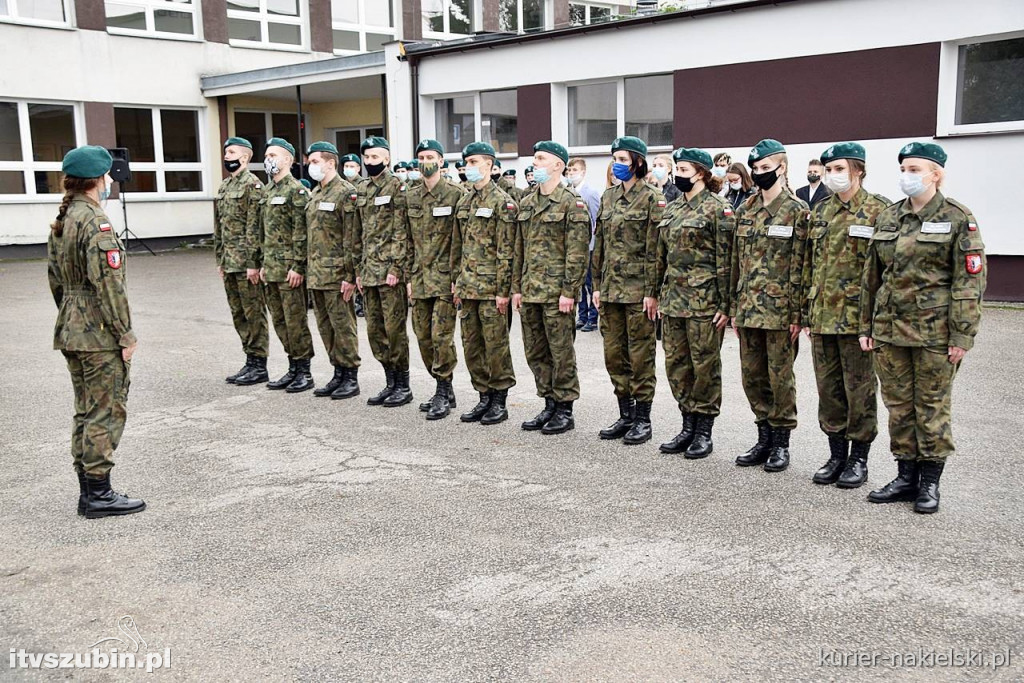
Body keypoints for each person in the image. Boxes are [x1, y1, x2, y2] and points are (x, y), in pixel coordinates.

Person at [859, 142, 985, 514]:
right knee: (898, 406)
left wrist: (962, 334)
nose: (907, 175)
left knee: (930, 406)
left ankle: (930, 483)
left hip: (935, 333)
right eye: (904, 168)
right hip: (889, 330)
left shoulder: (958, 217)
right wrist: (867, 324)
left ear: (936, 174)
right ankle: (905, 476)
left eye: (916, 169)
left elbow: (969, 282)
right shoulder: (889, 217)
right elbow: (872, 277)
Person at [47, 145, 145, 518]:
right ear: (100, 179)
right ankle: (98, 494)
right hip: (98, 333)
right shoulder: (94, 221)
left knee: (85, 409)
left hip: (73, 328)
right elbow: (109, 286)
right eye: (107, 177)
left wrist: (71, 316)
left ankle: (88, 487)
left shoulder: (64, 216)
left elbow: (56, 280)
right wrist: (126, 334)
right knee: (106, 409)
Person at [801, 143, 888, 488]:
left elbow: (883, 272)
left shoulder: (879, 211)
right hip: (823, 317)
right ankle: (836, 454)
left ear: (859, 170)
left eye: (839, 168)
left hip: (857, 321)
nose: (832, 175)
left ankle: (859, 459)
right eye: (828, 169)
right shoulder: (820, 211)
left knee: (860, 391)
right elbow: (811, 264)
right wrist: (807, 311)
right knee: (829, 391)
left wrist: (874, 321)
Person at [730, 139, 809, 472]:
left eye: (765, 168)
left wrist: (798, 314)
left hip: (780, 314)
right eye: (756, 169)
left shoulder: (797, 211)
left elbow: (804, 266)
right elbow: (736, 262)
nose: (759, 173)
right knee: (752, 377)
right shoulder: (746, 209)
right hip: (748, 310)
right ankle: (763, 437)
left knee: (780, 380)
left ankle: (781, 443)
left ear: (782, 168)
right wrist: (734, 307)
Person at [654, 147, 734, 458]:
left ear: (700, 173)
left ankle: (704, 431)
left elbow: (727, 261)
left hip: (704, 303)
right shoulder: (672, 209)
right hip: (674, 301)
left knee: (705, 367)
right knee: (677, 365)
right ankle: (687, 425)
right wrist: (657, 293)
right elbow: (661, 257)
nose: (678, 176)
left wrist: (726, 305)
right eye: (678, 170)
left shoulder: (718, 209)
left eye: (684, 170)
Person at [512, 141, 590, 434]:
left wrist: (569, 291)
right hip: (531, 290)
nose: (536, 163)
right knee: (535, 351)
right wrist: (516, 287)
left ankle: (565, 409)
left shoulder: (572, 202)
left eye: (541, 158)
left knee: (561, 353)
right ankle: (548, 403)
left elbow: (578, 251)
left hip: (557, 294)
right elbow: (519, 248)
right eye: (535, 158)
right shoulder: (527, 201)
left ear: (559, 165)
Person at [592, 136, 665, 445]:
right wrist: (596, 286)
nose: (617, 164)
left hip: (637, 291)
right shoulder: (608, 197)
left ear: (637, 161)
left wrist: (652, 291)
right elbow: (600, 247)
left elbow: (656, 249)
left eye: (622, 159)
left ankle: (643, 419)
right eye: (614, 159)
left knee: (640, 357)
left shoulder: (652, 198)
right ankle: (625, 415)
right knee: (614, 355)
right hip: (609, 290)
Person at [451, 141, 518, 425]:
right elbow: (458, 246)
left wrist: (503, 291)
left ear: (490, 166)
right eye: (468, 163)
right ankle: (483, 396)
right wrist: (456, 281)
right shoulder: (464, 202)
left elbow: (507, 251)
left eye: (476, 162)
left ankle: (499, 401)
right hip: (468, 288)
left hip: (492, 290)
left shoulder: (502, 202)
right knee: (472, 345)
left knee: (496, 346)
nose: (471, 168)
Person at [349, 136, 413, 408]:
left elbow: (402, 230)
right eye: (367, 157)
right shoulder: (362, 188)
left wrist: (397, 267)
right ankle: (390, 381)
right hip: (369, 270)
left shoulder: (398, 187)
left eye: (376, 157)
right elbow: (357, 232)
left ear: (387, 159)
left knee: (394, 330)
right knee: (375, 330)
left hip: (390, 272)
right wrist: (357, 270)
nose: (370, 162)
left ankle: (403, 385)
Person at [405, 139, 465, 420]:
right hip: (418, 279)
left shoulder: (456, 194)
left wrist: (458, 278)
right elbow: (406, 239)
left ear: (441, 161)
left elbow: (463, 240)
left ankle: (443, 389)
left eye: (430, 156)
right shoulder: (411, 195)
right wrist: (407, 276)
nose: (425, 161)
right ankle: (444, 387)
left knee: (441, 338)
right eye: (421, 156)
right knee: (423, 338)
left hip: (445, 280)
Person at [304, 141, 361, 401]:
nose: (310, 166)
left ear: (330, 163)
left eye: (315, 162)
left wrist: (350, 276)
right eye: (309, 162)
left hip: (337, 275)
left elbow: (352, 238)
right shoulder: (316, 193)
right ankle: (337, 372)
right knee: (325, 327)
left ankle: (350, 375)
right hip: (317, 274)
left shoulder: (345, 192)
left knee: (343, 326)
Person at [258, 137, 315, 393]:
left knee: (295, 322)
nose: (269, 159)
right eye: (267, 155)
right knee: (280, 322)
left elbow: (302, 233)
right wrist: (262, 264)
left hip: (289, 270)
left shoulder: (297, 191)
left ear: (288, 160)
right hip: (271, 269)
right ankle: (292, 366)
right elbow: (264, 233)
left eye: (274, 155)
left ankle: (304, 370)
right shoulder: (267, 191)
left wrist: (298, 266)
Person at [214, 136, 269, 387]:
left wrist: (253, 262)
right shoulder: (225, 186)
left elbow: (254, 228)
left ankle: (260, 364)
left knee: (253, 312)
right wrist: (220, 259)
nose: (227, 157)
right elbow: (219, 227)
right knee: (238, 314)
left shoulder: (253, 186)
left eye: (232, 153)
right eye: (226, 153)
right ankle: (249, 359)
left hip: (246, 263)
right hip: (229, 261)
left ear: (245, 157)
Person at [567, 157, 600, 332]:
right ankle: (583, 315)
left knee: (591, 284)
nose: (571, 173)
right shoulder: (568, 192)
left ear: (583, 172)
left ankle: (593, 319)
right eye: (569, 170)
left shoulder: (590, 193)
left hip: (589, 247)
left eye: (575, 170)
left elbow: (595, 222)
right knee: (579, 284)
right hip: (575, 249)